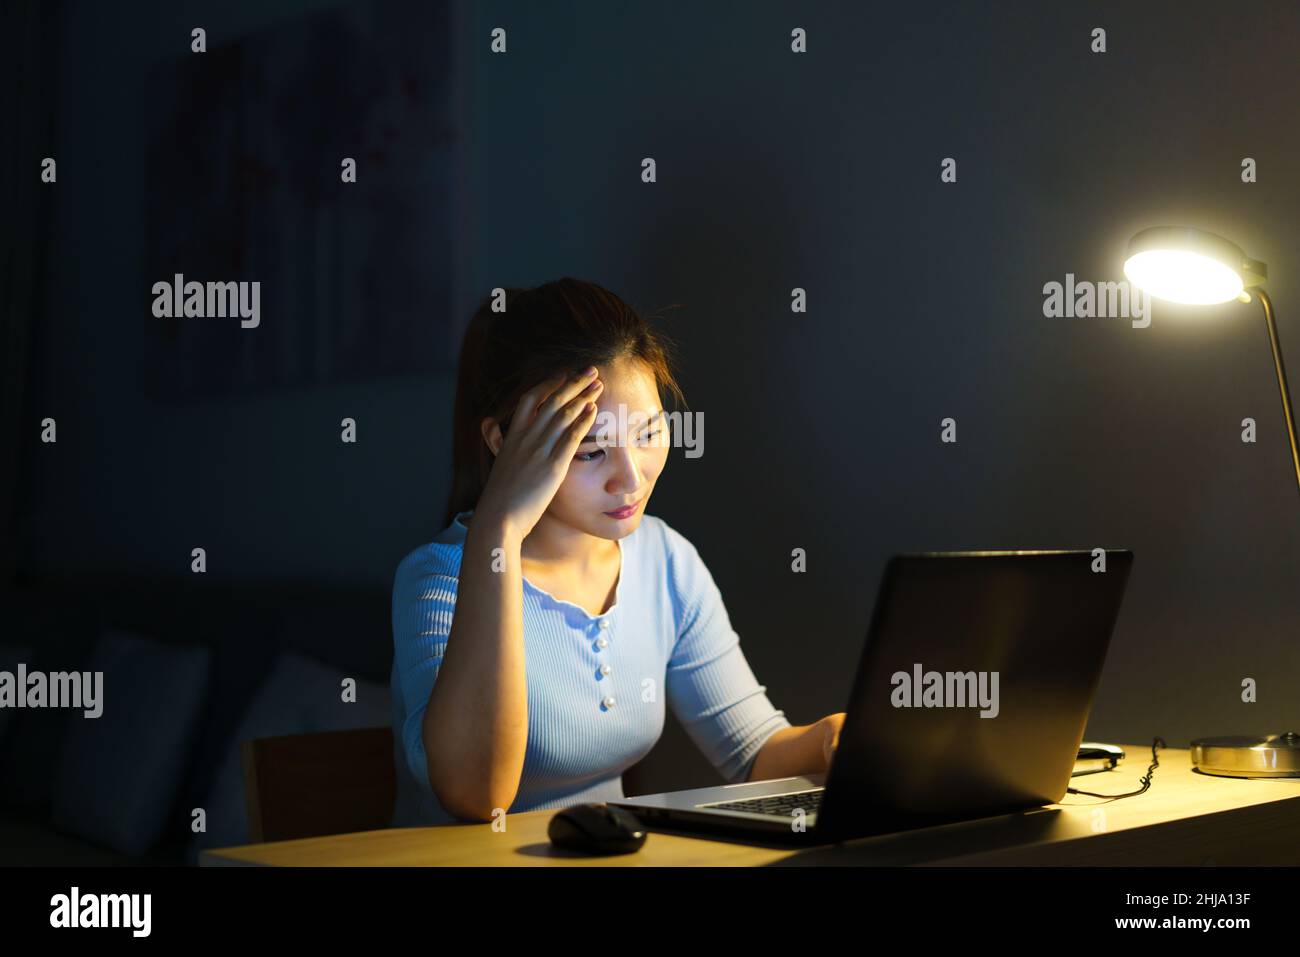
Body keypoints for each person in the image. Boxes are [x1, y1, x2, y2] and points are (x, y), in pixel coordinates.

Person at [390, 278, 845, 825]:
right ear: (503, 445)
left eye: (650, 432)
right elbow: (478, 797)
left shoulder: (664, 560)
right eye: (591, 450)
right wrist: (498, 533)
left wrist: (829, 740)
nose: (631, 478)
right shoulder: (437, 578)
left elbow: (754, 754)